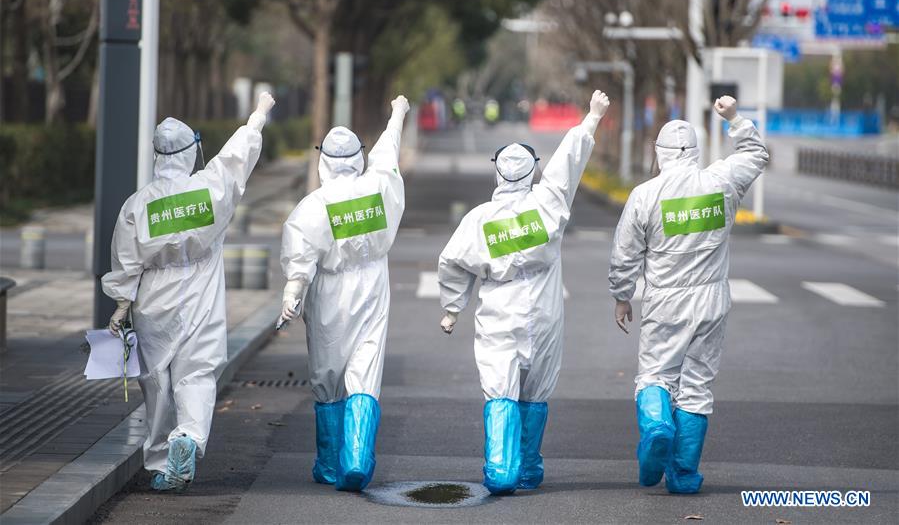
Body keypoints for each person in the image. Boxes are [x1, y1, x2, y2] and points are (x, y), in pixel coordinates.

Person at [438, 90, 610, 495]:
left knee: (500, 386)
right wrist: (592, 117)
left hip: (500, 309)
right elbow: (568, 162)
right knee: (535, 391)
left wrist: (452, 307)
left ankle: (501, 469)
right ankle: (529, 466)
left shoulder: (479, 219)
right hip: (546, 311)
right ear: (533, 171)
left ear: (497, 173)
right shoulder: (548, 203)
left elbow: (453, 263)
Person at [102, 92, 276, 491]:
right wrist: (258, 115)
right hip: (200, 288)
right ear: (189, 152)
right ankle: (189, 437)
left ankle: (164, 458)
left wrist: (120, 305)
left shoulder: (138, 204)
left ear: (158, 155)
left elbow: (126, 259)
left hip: (153, 297)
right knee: (196, 371)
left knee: (156, 377)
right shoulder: (209, 188)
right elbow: (236, 157)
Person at [608, 96, 768, 494]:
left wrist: (622, 295)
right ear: (695, 152)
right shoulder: (721, 181)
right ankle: (682, 477)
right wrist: (733, 118)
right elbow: (756, 153)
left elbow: (625, 254)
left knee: (654, 377)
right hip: (713, 302)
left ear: (659, 155)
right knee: (697, 387)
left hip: (665, 303)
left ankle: (657, 426)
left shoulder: (645, 195)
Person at [279, 96, 409, 492]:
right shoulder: (378, 187)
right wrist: (397, 114)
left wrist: (292, 293)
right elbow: (387, 152)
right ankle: (357, 457)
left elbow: (300, 254)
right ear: (358, 157)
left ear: (323, 161)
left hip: (329, 292)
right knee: (365, 369)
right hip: (372, 284)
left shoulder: (314, 205)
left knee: (328, 375)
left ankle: (332, 464)